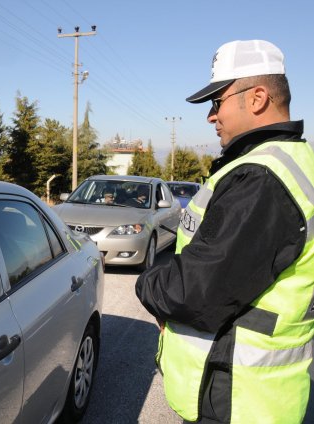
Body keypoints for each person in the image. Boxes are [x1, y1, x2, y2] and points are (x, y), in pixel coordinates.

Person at [135, 40, 314, 423]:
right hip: (254, 395)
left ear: (258, 98)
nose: (211, 116)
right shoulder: (288, 162)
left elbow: (195, 291)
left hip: (239, 400)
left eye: (218, 102)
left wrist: (148, 281)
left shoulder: (261, 178)